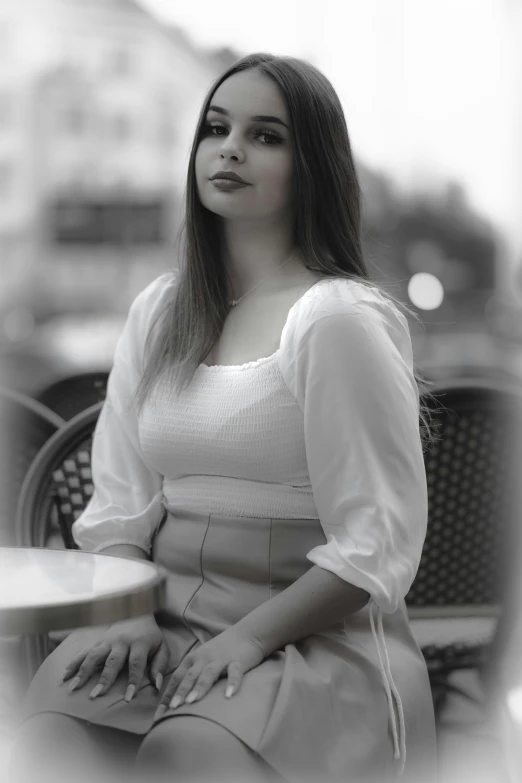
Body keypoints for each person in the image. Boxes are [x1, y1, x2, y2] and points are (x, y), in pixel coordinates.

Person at [10, 53, 439, 783]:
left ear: (315, 165)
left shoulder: (338, 319)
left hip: (310, 636)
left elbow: (376, 543)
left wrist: (243, 640)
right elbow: (118, 505)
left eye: (267, 135)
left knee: (188, 752)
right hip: (154, 617)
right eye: (217, 127)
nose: (231, 147)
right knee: (49, 735)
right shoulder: (159, 311)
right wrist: (125, 613)